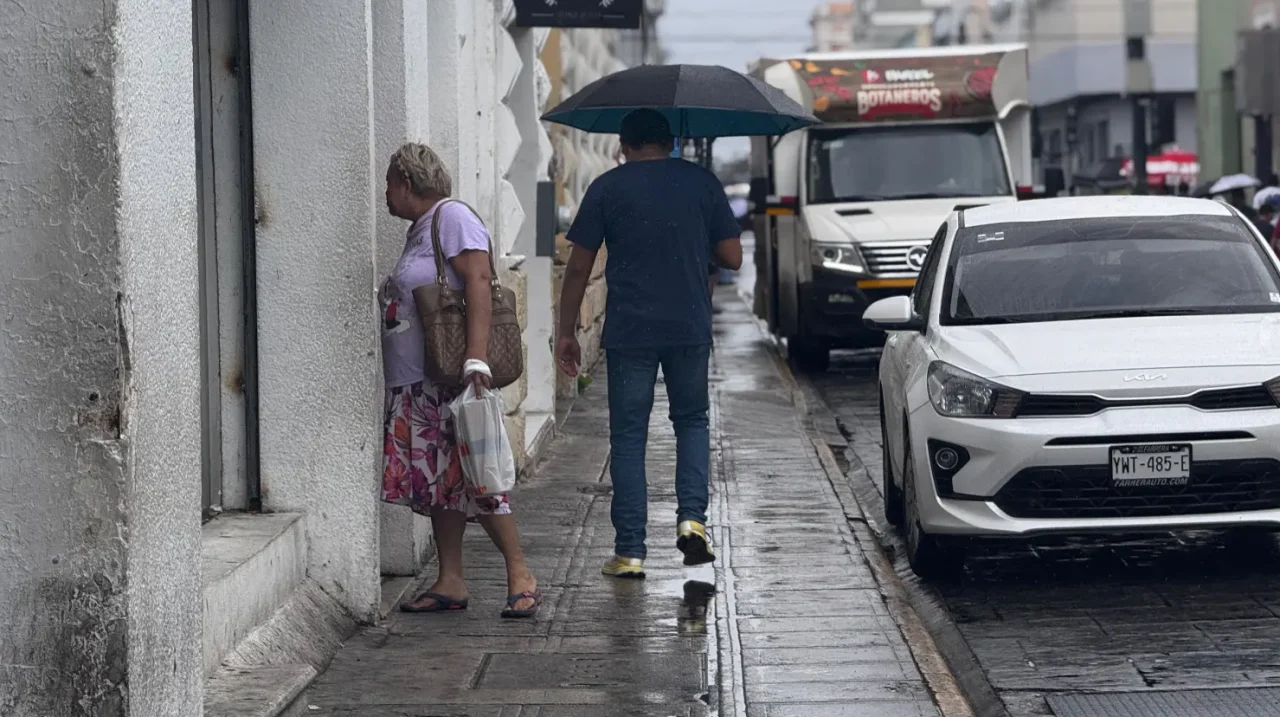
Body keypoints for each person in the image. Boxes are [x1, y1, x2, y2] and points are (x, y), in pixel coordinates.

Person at [555, 109, 743, 579]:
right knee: (692, 423)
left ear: (624, 144)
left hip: (629, 330)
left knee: (628, 436)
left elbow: (578, 267)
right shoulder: (702, 184)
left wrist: (565, 331)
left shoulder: (607, 187)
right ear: (670, 141)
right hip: (689, 327)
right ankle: (692, 522)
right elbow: (734, 256)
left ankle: (630, 551)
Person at [379, 142, 540, 618]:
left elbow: (478, 280)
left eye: (388, 184)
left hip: (448, 379)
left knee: (476, 475)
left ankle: (520, 572)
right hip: (418, 381)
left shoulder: (452, 217)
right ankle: (451, 579)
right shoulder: (421, 230)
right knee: (440, 482)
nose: (384, 194)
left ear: (406, 183)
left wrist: (475, 359)